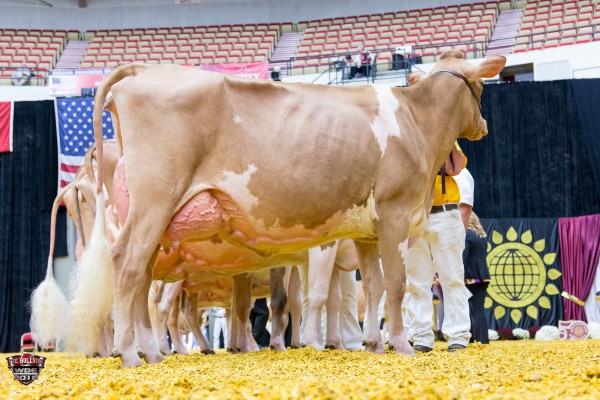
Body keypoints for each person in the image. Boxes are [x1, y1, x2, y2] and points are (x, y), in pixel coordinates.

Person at [404, 143, 472, 353]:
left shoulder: (443, 134)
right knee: (416, 281)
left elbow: (455, 168)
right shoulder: (404, 135)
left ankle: (458, 335)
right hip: (413, 215)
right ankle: (421, 335)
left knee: (451, 278)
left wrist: (444, 138)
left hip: (444, 213)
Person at [463, 212, 491, 344]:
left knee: (465, 309)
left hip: (469, 277)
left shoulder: (465, 235)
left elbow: (464, 257)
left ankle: (469, 338)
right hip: (483, 277)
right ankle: (483, 340)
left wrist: (460, 275)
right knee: (479, 309)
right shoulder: (481, 235)